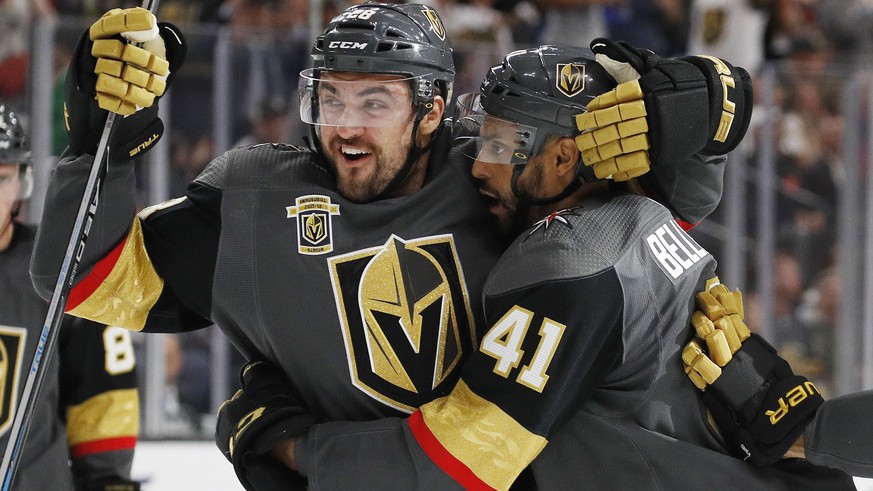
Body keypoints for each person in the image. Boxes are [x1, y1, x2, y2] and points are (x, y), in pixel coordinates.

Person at [31, 4, 751, 489]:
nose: (346, 126)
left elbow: (654, 215)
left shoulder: (495, 181)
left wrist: (701, 117)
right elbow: (88, 281)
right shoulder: (258, 202)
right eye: (332, 99)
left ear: (432, 109)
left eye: (375, 102)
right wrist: (99, 143)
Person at [215, 45, 870, 490]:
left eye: (500, 143)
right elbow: (698, 175)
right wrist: (704, 99)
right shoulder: (642, 211)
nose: (477, 161)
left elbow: (461, 459)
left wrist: (290, 445)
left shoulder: (567, 262)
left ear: (562, 160)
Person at [0, 104, 140, 490]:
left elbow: (103, 393)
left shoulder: (56, 270)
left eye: (1, 178)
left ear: (20, 185)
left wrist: (106, 481)